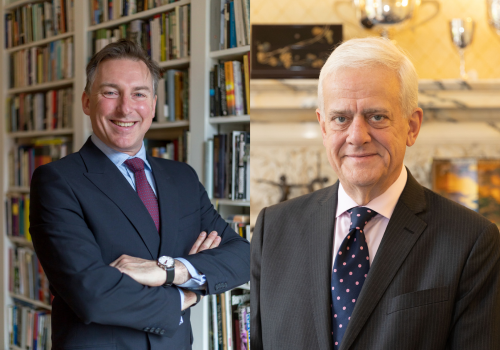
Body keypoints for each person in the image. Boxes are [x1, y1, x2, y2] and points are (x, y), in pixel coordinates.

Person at [250, 37, 500, 350]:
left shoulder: (471, 241)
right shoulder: (273, 229)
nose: (357, 136)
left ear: (411, 126)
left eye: (376, 116)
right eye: (341, 118)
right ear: (323, 127)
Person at [29, 39, 250, 349]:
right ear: (87, 102)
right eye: (110, 92)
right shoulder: (57, 181)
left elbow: (242, 255)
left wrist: (169, 271)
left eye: (139, 94)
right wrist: (184, 294)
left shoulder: (182, 177)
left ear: (154, 105)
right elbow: (91, 294)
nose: (126, 107)